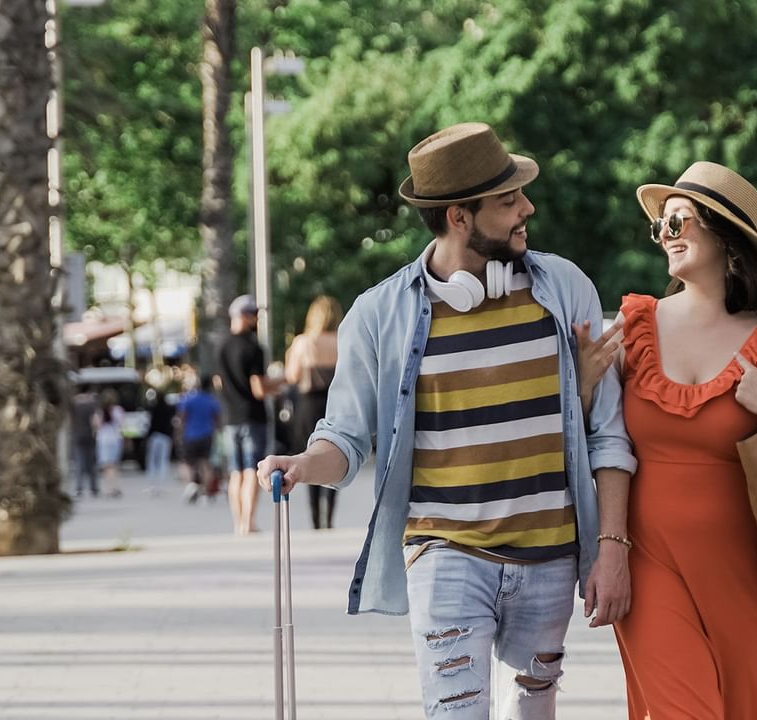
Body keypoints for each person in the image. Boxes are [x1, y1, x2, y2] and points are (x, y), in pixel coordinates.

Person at [256, 122, 636, 719]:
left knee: (532, 711)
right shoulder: (379, 314)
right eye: (509, 201)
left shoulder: (564, 289)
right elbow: (348, 436)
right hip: (446, 553)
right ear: (459, 216)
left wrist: (610, 548)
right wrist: (305, 463)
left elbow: (607, 435)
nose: (527, 209)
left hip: (550, 556)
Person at [579, 161, 757, 719]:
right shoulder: (635, 326)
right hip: (650, 562)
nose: (665, 236)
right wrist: (583, 388)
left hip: (751, 572)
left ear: (725, 236)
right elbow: (599, 439)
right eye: (660, 226)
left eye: (677, 223)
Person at [216, 295, 281, 534]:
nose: (256, 319)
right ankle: (248, 522)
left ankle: (237, 522)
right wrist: (279, 383)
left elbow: (218, 381)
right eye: (253, 314)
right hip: (252, 416)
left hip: (230, 417)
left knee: (235, 472)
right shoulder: (253, 347)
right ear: (245, 316)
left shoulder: (221, 346)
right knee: (251, 470)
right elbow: (258, 389)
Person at [284, 295, 343, 530]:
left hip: (308, 405)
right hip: (334, 404)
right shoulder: (342, 340)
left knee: (308, 457)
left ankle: (315, 519)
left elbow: (292, 376)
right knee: (335, 454)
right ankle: (329, 518)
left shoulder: (304, 342)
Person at [177, 375, 221, 504]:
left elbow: (182, 417)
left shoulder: (189, 400)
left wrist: (179, 432)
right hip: (207, 434)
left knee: (188, 463)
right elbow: (217, 419)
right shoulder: (212, 400)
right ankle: (206, 493)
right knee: (205, 464)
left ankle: (192, 485)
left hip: (190, 435)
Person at [144, 388, 177, 495]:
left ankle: (152, 484)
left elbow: (150, 423)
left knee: (153, 461)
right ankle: (161, 485)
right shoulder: (169, 408)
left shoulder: (153, 408)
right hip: (166, 437)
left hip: (155, 436)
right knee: (163, 461)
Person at [94, 389, 125, 499]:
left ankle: (108, 488)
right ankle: (115, 486)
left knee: (106, 467)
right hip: (115, 440)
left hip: (103, 440)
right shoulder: (118, 410)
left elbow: (96, 425)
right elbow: (122, 425)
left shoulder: (100, 412)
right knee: (114, 465)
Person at [70, 386, 100, 497]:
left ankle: (79, 488)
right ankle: (94, 488)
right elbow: (95, 421)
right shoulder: (92, 405)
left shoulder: (75, 405)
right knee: (92, 463)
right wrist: (94, 432)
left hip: (78, 436)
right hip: (89, 437)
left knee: (79, 463)